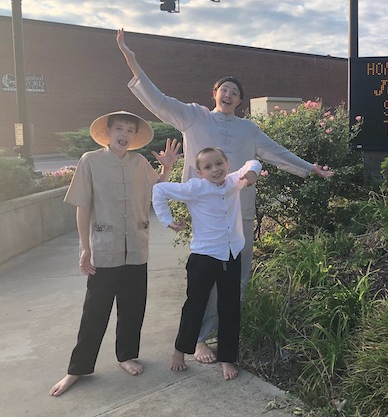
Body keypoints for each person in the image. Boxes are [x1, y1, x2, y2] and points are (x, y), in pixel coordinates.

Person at [116, 28, 335, 363]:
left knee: (238, 277)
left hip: (240, 211)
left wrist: (311, 168)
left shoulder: (249, 129)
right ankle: (201, 339)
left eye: (235, 92)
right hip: (206, 215)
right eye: (224, 89)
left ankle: (227, 334)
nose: (229, 94)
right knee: (205, 279)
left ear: (240, 101)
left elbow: (277, 153)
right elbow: (158, 100)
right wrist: (132, 61)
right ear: (214, 93)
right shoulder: (193, 116)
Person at [49, 111, 181, 397]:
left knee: (133, 306)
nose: (125, 134)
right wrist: (84, 247)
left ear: (135, 136)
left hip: (136, 246)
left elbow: (158, 189)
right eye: (119, 128)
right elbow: (82, 206)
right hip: (104, 248)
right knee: (95, 310)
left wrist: (167, 167)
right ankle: (77, 368)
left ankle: (126, 355)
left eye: (130, 130)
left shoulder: (139, 162)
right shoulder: (90, 161)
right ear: (108, 133)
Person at [153, 147, 261, 380]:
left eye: (219, 163)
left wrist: (252, 173)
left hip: (231, 255)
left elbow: (253, 162)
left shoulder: (234, 181)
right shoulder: (195, 188)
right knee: (195, 306)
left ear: (227, 164)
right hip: (204, 258)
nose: (215, 169)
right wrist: (168, 221)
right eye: (208, 167)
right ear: (200, 172)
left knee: (230, 308)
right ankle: (179, 351)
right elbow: (159, 190)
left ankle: (227, 358)